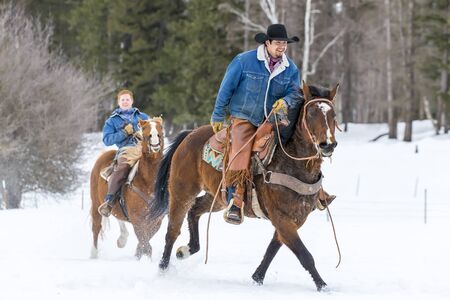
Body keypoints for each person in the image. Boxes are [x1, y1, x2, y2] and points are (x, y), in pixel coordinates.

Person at [210, 24, 335, 225]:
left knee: (298, 142)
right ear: (267, 43)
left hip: (272, 119)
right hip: (244, 117)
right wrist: (217, 115)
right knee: (242, 147)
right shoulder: (244, 61)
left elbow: (295, 92)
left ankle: (316, 190)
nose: (282, 47)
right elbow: (226, 88)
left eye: (284, 43)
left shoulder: (290, 68)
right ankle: (237, 198)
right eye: (278, 43)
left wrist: (285, 102)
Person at [98, 89, 149, 217]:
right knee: (123, 167)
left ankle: (169, 196)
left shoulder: (142, 117)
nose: (125, 102)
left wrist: (143, 133)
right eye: (122, 100)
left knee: (162, 163)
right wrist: (124, 133)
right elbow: (107, 140)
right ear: (119, 102)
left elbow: (153, 130)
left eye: (127, 99)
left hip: (144, 148)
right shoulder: (112, 121)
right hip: (126, 150)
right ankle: (109, 201)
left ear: (132, 101)